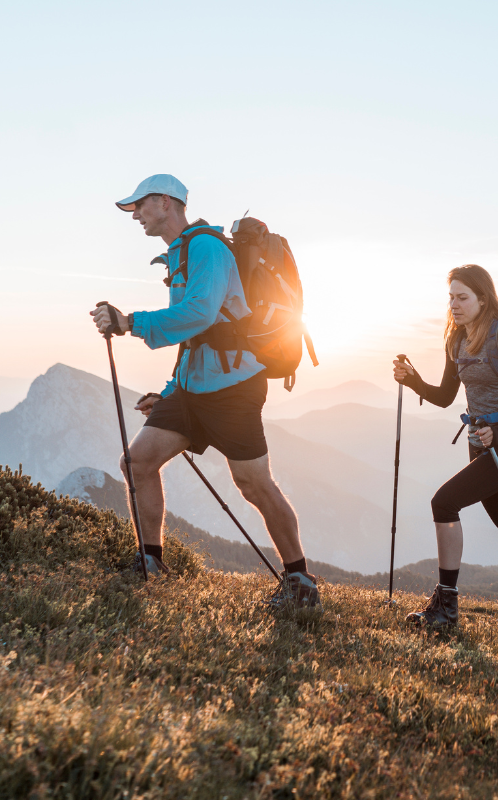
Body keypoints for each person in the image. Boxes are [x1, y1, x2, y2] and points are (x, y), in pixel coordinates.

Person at [90, 173, 320, 608]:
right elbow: (197, 336)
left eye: (140, 205)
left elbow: (198, 314)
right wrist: (171, 390)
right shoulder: (180, 253)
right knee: (137, 462)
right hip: (192, 387)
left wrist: (129, 322)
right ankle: (151, 563)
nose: (135, 215)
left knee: (253, 484)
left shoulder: (208, 248)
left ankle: (299, 581)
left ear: (166, 202)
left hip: (234, 388)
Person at [392, 264, 498, 630]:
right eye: (450, 297)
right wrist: (412, 380)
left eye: (462, 297)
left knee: (443, 502)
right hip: (479, 444)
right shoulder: (456, 338)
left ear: (483, 298)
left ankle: (446, 607)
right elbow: (447, 396)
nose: (454, 304)